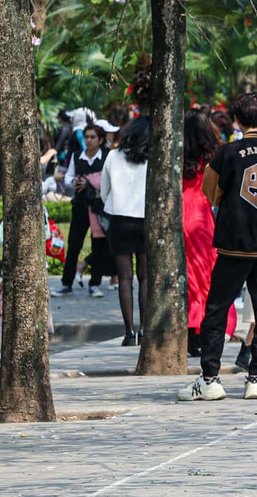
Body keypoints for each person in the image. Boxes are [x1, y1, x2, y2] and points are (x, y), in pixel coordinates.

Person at [179, 94, 257, 402]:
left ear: (237, 121)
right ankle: (256, 378)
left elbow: (210, 191)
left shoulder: (227, 152)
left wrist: (232, 204)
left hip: (234, 246)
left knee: (215, 310)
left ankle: (210, 379)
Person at [182, 110, 236, 357]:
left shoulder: (177, 156)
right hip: (204, 220)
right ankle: (209, 330)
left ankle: (191, 332)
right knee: (207, 278)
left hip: (180, 218)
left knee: (189, 279)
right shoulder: (215, 156)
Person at [101, 117, 150, 345]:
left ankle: (129, 332)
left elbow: (104, 191)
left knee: (124, 278)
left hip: (119, 219)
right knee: (145, 277)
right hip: (145, 219)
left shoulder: (113, 156)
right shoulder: (153, 157)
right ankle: (145, 329)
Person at [58, 123, 106, 296]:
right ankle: (66, 282)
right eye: (87, 137)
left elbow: (110, 180)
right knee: (74, 244)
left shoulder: (106, 157)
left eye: (93, 137)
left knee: (99, 244)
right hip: (79, 205)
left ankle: (95, 284)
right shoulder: (77, 156)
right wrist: (74, 182)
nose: (89, 140)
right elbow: (68, 176)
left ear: (100, 140)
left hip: (98, 207)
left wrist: (91, 184)